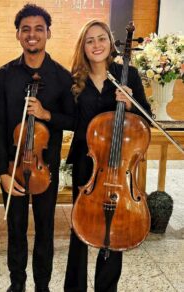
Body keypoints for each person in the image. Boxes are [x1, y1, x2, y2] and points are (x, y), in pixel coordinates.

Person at [63, 20, 152, 292]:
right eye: (90, 40)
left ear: (111, 44)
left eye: (101, 39)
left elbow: (147, 118)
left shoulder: (128, 74)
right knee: (81, 229)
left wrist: (131, 105)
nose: (96, 45)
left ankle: (106, 288)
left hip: (120, 165)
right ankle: (74, 288)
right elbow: (69, 119)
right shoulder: (75, 80)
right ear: (83, 47)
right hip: (87, 164)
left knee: (116, 228)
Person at [0, 4, 75, 292]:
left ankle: (42, 285)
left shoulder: (63, 77)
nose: (32, 35)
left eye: (39, 29)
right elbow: (0, 128)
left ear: (48, 33)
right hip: (12, 168)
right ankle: (17, 283)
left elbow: (75, 120)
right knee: (15, 229)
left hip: (45, 169)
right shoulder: (4, 75)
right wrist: (2, 172)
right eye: (26, 29)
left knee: (45, 230)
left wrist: (47, 115)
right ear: (17, 35)